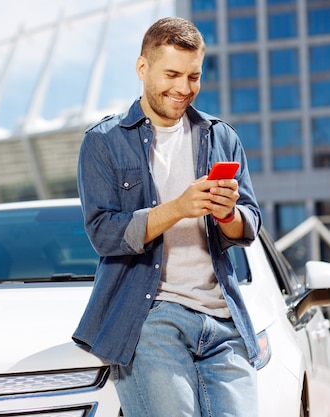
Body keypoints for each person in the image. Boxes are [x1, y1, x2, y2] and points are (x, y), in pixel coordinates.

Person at [72, 16, 262, 417]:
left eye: (193, 76)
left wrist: (227, 215)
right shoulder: (103, 143)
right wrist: (178, 208)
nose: (183, 88)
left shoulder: (221, 136)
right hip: (152, 317)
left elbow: (250, 222)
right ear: (143, 68)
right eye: (172, 74)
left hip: (223, 320)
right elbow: (104, 234)